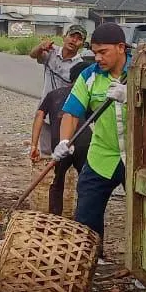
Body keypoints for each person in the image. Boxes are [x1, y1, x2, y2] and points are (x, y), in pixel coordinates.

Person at [52, 23, 130, 242]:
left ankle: (141, 271)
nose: (97, 58)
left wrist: (131, 96)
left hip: (137, 158)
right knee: (86, 213)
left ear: (121, 47)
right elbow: (72, 112)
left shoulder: (140, 72)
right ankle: (90, 258)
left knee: (143, 216)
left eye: (103, 52)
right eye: (95, 53)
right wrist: (65, 141)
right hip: (102, 154)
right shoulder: (88, 76)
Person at [30, 61, 91, 215]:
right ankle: (83, 216)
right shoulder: (87, 95)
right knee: (86, 182)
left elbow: (39, 115)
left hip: (61, 144)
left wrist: (33, 145)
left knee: (57, 181)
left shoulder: (53, 95)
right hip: (84, 143)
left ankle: (54, 217)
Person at [29, 22, 88, 155]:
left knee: (64, 152)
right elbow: (33, 55)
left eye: (79, 39)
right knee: (46, 152)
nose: (74, 40)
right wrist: (40, 48)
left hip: (66, 114)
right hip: (46, 108)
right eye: (72, 36)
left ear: (82, 44)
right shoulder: (51, 51)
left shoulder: (79, 65)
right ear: (64, 37)